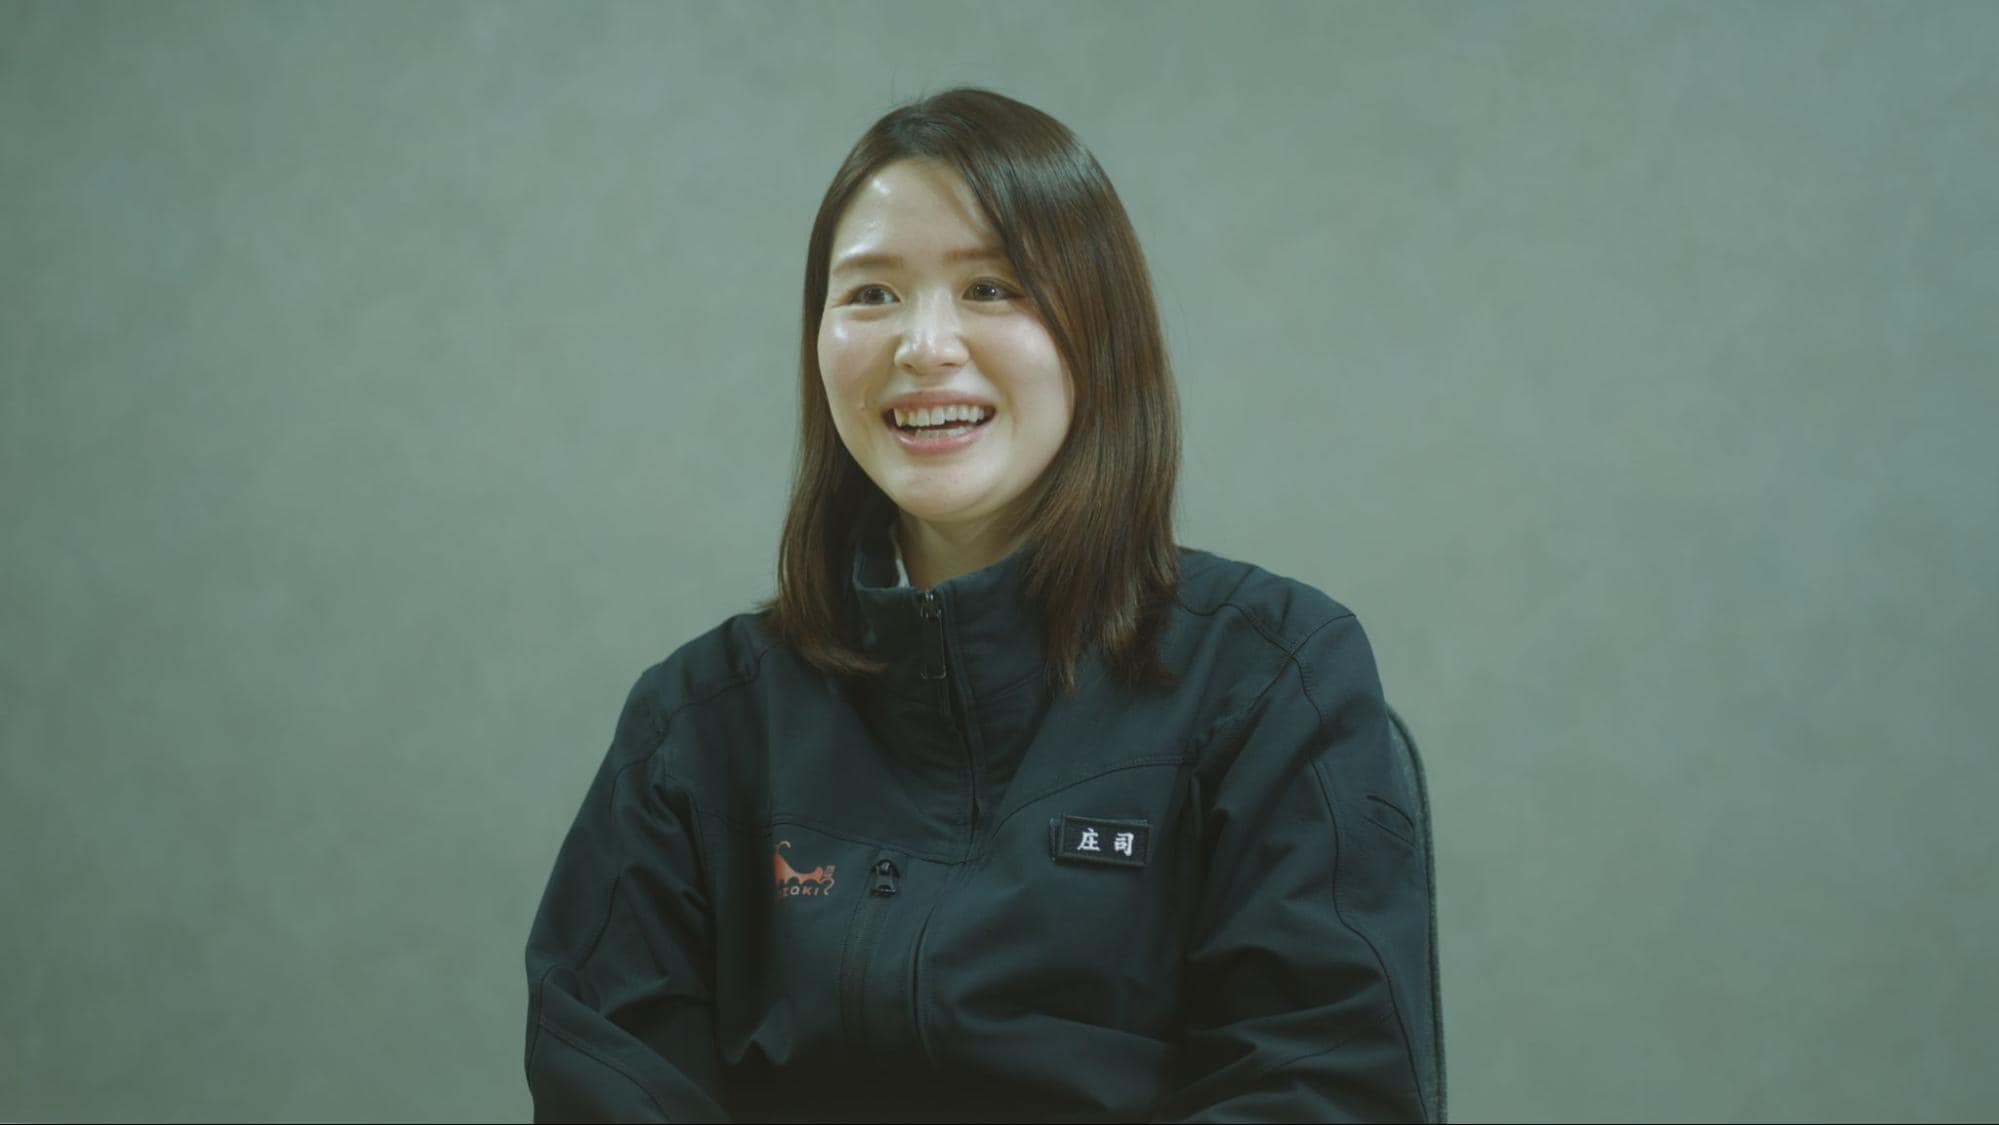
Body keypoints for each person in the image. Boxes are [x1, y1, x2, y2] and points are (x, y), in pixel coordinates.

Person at [524, 86, 1442, 1123]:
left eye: (993, 287)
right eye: (871, 293)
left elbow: (1325, 1086)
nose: (924, 345)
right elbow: (607, 1081)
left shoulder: (1271, 679)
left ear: (1101, 330)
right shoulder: (696, 724)